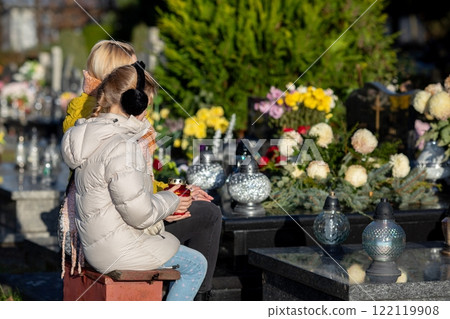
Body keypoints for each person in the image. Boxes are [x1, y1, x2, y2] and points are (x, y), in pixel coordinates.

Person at [62, 40, 221, 300]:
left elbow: (127, 181)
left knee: (205, 211)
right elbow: (135, 203)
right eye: (132, 69)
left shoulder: (92, 126)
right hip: (115, 231)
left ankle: (186, 293)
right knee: (206, 226)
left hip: (105, 221)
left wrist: (172, 193)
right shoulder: (111, 126)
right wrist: (171, 201)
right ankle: (196, 296)